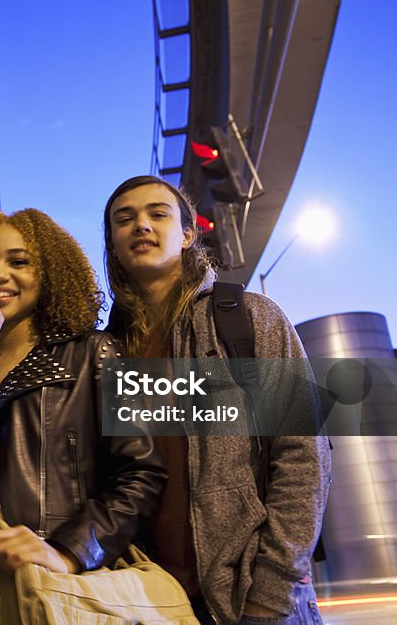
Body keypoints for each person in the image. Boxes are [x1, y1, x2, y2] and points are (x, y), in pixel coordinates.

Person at [102, 175, 331, 625]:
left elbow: (304, 454)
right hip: (148, 598)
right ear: (112, 242)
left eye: (157, 214)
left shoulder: (248, 318)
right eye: (124, 219)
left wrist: (271, 590)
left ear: (187, 234)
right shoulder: (108, 351)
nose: (141, 225)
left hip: (248, 596)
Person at [0, 208, 167, 624]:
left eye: (19, 262)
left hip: (48, 590)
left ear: (50, 274)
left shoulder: (97, 354)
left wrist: (71, 552)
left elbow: (141, 472)